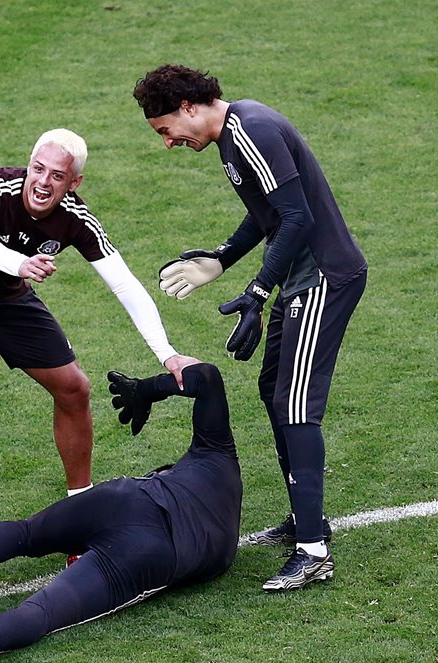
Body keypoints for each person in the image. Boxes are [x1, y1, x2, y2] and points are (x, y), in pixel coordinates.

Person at [0, 128, 198, 567]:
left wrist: (167, 353)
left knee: (74, 388)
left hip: (6, 296)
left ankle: (79, 517)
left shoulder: (77, 220)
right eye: (37, 169)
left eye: (56, 176)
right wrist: (19, 264)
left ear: (73, 183)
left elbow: (124, 284)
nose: (42, 182)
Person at [132, 64, 367, 592]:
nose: (168, 143)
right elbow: (267, 215)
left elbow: (298, 217)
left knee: (294, 404)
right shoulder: (235, 135)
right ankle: (306, 519)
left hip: (324, 277)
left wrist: (258, 293)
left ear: (189, 107)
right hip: (301, 279)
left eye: (166, 129)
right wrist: (221, 259)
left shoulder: (250, 130)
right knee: (272, 389)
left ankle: (313, 551)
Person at [0, 361, 239, 663]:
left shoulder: (216, 453)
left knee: (26, 533)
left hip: (125, 498)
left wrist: (146, 389)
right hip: (155, 552)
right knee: (46, 611)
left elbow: (206, 376)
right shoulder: (223, 552)